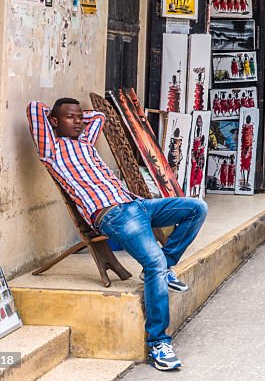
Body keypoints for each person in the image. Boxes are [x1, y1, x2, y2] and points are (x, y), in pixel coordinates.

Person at [27, 99, 207, 372]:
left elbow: (98, 115)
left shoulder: (85, 143)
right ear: (53, 122)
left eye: (79, 117)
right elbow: (33, 108)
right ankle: (158, 342)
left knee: (196, 208)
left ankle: (166, 263)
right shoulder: (50, 149)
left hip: (137, 205)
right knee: (154, 263)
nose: (78, 122)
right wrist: (55, 118)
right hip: (114, 215)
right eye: (70, 118)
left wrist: (76, 118)